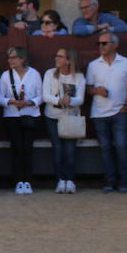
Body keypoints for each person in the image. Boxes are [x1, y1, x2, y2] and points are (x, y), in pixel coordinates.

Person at [86, 33, 127, 193]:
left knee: (121, 147)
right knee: (106, 149)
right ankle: (110, 181)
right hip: (99, 113)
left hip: (119, 111)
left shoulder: (126, 63)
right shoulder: (93, 65)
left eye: (104, 43)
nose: (101, 46)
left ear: (115, 45)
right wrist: (96, 90)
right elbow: (87, 88)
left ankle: (124, 182)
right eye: (99, 43)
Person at [0, 46, 41, 194]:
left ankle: (27, 180)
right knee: (17, 147)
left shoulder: (34, 74)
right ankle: (18, 181)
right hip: (12, 115)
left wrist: (29, 102)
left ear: (22, 58)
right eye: (9, 58)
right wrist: (11, 102)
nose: (11, 60)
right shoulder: (5, 75)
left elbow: (40, 95)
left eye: (14, 57)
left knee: (27, 148)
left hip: (30, 114)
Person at [42, 46, 85, 193]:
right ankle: (61, 180)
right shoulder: (50, 74)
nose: (56, 58)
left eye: (60, 57)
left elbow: (80, 99)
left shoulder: (78, 77)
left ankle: (70, 180)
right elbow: (45, 96)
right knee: (58, 149)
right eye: (57, 56)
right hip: (53, 117)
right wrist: (59, 100)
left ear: (69, 60)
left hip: (70, 117)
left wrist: (70, 100)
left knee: (70, 150)